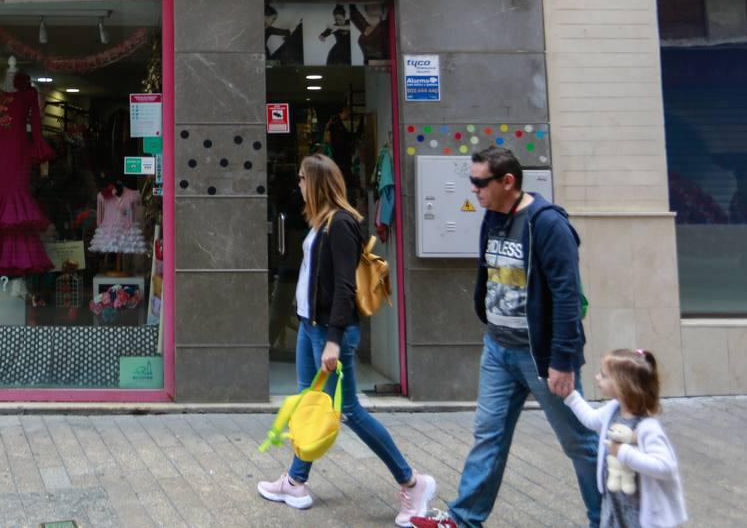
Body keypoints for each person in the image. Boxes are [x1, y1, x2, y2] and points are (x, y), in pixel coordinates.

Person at [414, 148, 600, 528]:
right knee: (488, 435)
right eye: (472, 182)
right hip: (499, 348)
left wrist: (562, 361)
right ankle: (464, 519)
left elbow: (566, 295)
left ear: (508, 182)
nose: (474, 191)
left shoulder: (547, 224)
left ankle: (611, 519)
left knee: (578, 442)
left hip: (542, 356)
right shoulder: (493, 217)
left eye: (481, 183)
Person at [257, 153, 437, 524]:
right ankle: (295, 481)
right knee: (311, 405)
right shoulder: (322, 222)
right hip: (311, 326)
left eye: (304, 180)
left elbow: (343, 286)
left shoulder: (340, 224)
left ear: (318, 184)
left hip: (328, 331)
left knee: (350, 410)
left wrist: (334, 340)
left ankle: (412, 481)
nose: (300, 186)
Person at [566, 349, 687, 528]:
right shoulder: (612, 410)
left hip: (640, 513)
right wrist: (570, 396)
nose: (597, 377)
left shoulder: (648, 428)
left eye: (604, 375)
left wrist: (623, 452)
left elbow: (666, 467)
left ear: (623, 385)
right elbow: (591, 420)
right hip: (613, 504)